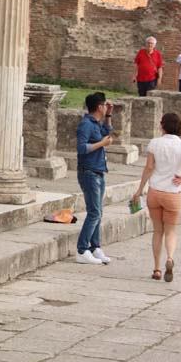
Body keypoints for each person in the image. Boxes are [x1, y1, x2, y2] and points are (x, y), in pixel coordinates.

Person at [131, 112, 181, 281]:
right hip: (173, 192)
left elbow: (148, 167)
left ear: (162, 125)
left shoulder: (155, 143)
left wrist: (139, 189)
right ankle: (170, 258)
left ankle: (156, 269)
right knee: (171, 231)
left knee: (157, 231)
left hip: (154, 192)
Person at [76, 91, 114, 265]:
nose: (106, 107)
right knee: (94, 212)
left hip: (98, 170)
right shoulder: (86, 124)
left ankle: (95, 246)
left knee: (98, 211)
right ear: (99, 106)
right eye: (105, 105)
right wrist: (101, 144)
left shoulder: (96, 123)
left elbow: (108, 132)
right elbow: (82, 148)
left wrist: (109, 115)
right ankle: (82, 249)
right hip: (88, 171)